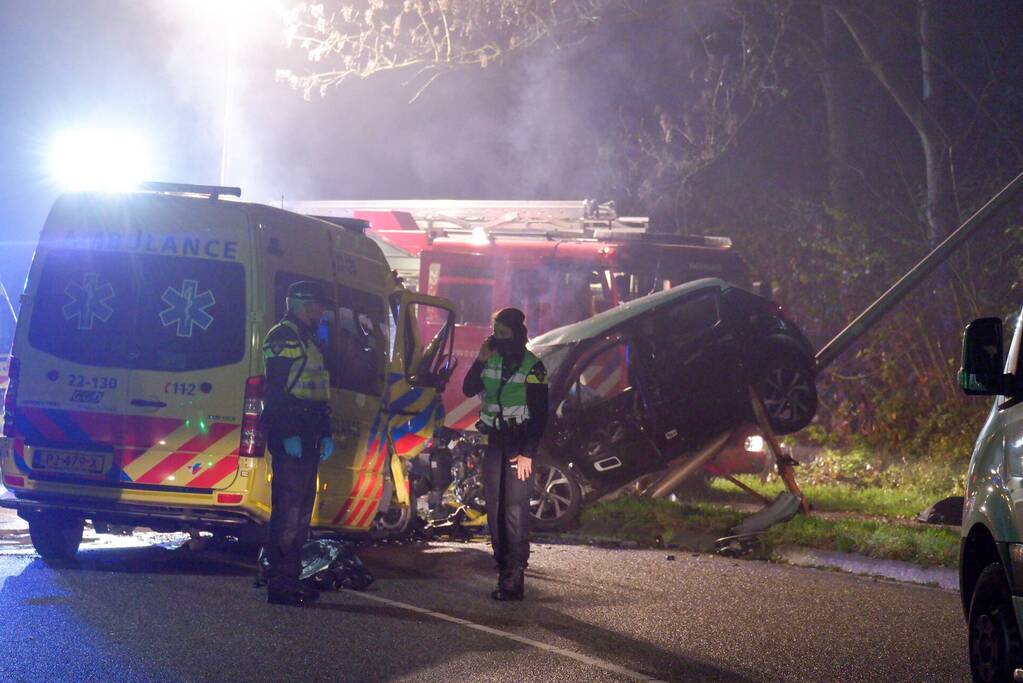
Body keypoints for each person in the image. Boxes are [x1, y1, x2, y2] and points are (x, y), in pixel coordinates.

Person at [462, 307, 549, 601]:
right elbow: (468, 388)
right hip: (495, 441)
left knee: (515, 508)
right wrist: (479, 360)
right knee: (495, 506)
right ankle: (502, 567)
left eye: (502, 333)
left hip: (519, 442)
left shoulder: (533, 366)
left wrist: (528, 453)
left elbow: (540, 414)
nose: (496, 337)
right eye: (494, 332)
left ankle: (515, 573)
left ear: (516, 333)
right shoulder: (491, 359)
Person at [261, 281, 336, 606]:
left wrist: (325, 431)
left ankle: (289, 577)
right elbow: (276, 393)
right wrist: (288, 432)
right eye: (319, 306)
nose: (321, 312)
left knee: (300, 512)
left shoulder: (307, 338)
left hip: (309, 433)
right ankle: (280, 584)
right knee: (289, 513)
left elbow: (316, 392)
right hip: (292, 433)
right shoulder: (283, 337)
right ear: (305, 306)